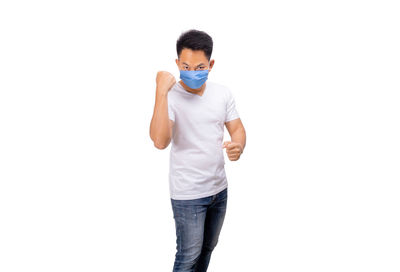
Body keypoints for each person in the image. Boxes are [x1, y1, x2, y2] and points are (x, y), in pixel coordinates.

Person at [149, 29, 246, 272]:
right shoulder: (170, 97)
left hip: (219, 189)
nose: (192, 72)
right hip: (188, 194)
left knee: (207, 249)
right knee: (188, 257)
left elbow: (238, 129)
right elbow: (160, 141)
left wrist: (238, 146)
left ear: (211, 64)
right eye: (186, 66)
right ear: (177, 63)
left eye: (200, 66)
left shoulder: (222, 93)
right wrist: (161, 92)